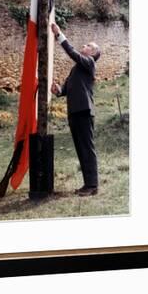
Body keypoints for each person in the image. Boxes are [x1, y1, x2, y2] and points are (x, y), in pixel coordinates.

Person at [50, 23, 101, 197]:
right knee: (81, 149)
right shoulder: (77, 69)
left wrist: (59, 35)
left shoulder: (89, 63)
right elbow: (66, 89)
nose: (84, 46)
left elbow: (72, 53)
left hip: (84, 112)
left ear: (93, 53)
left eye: (88, 46)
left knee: (87, 148)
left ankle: (93, 185)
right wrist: (58, 90)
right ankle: (88, 185)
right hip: (74, 112)